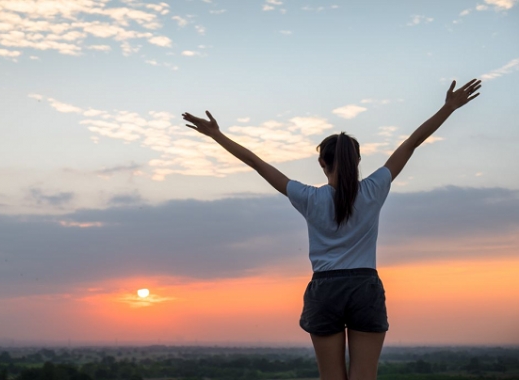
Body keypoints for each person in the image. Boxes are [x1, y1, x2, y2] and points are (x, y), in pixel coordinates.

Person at [182, 78, 482, 380]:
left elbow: (257, 163)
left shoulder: (309, 197)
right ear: (358, 160)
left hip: (325, 289)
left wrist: (216, 135)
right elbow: (411, 144)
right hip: (365, 287)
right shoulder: (374, 189)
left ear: (321, 162)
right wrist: (448, 108)